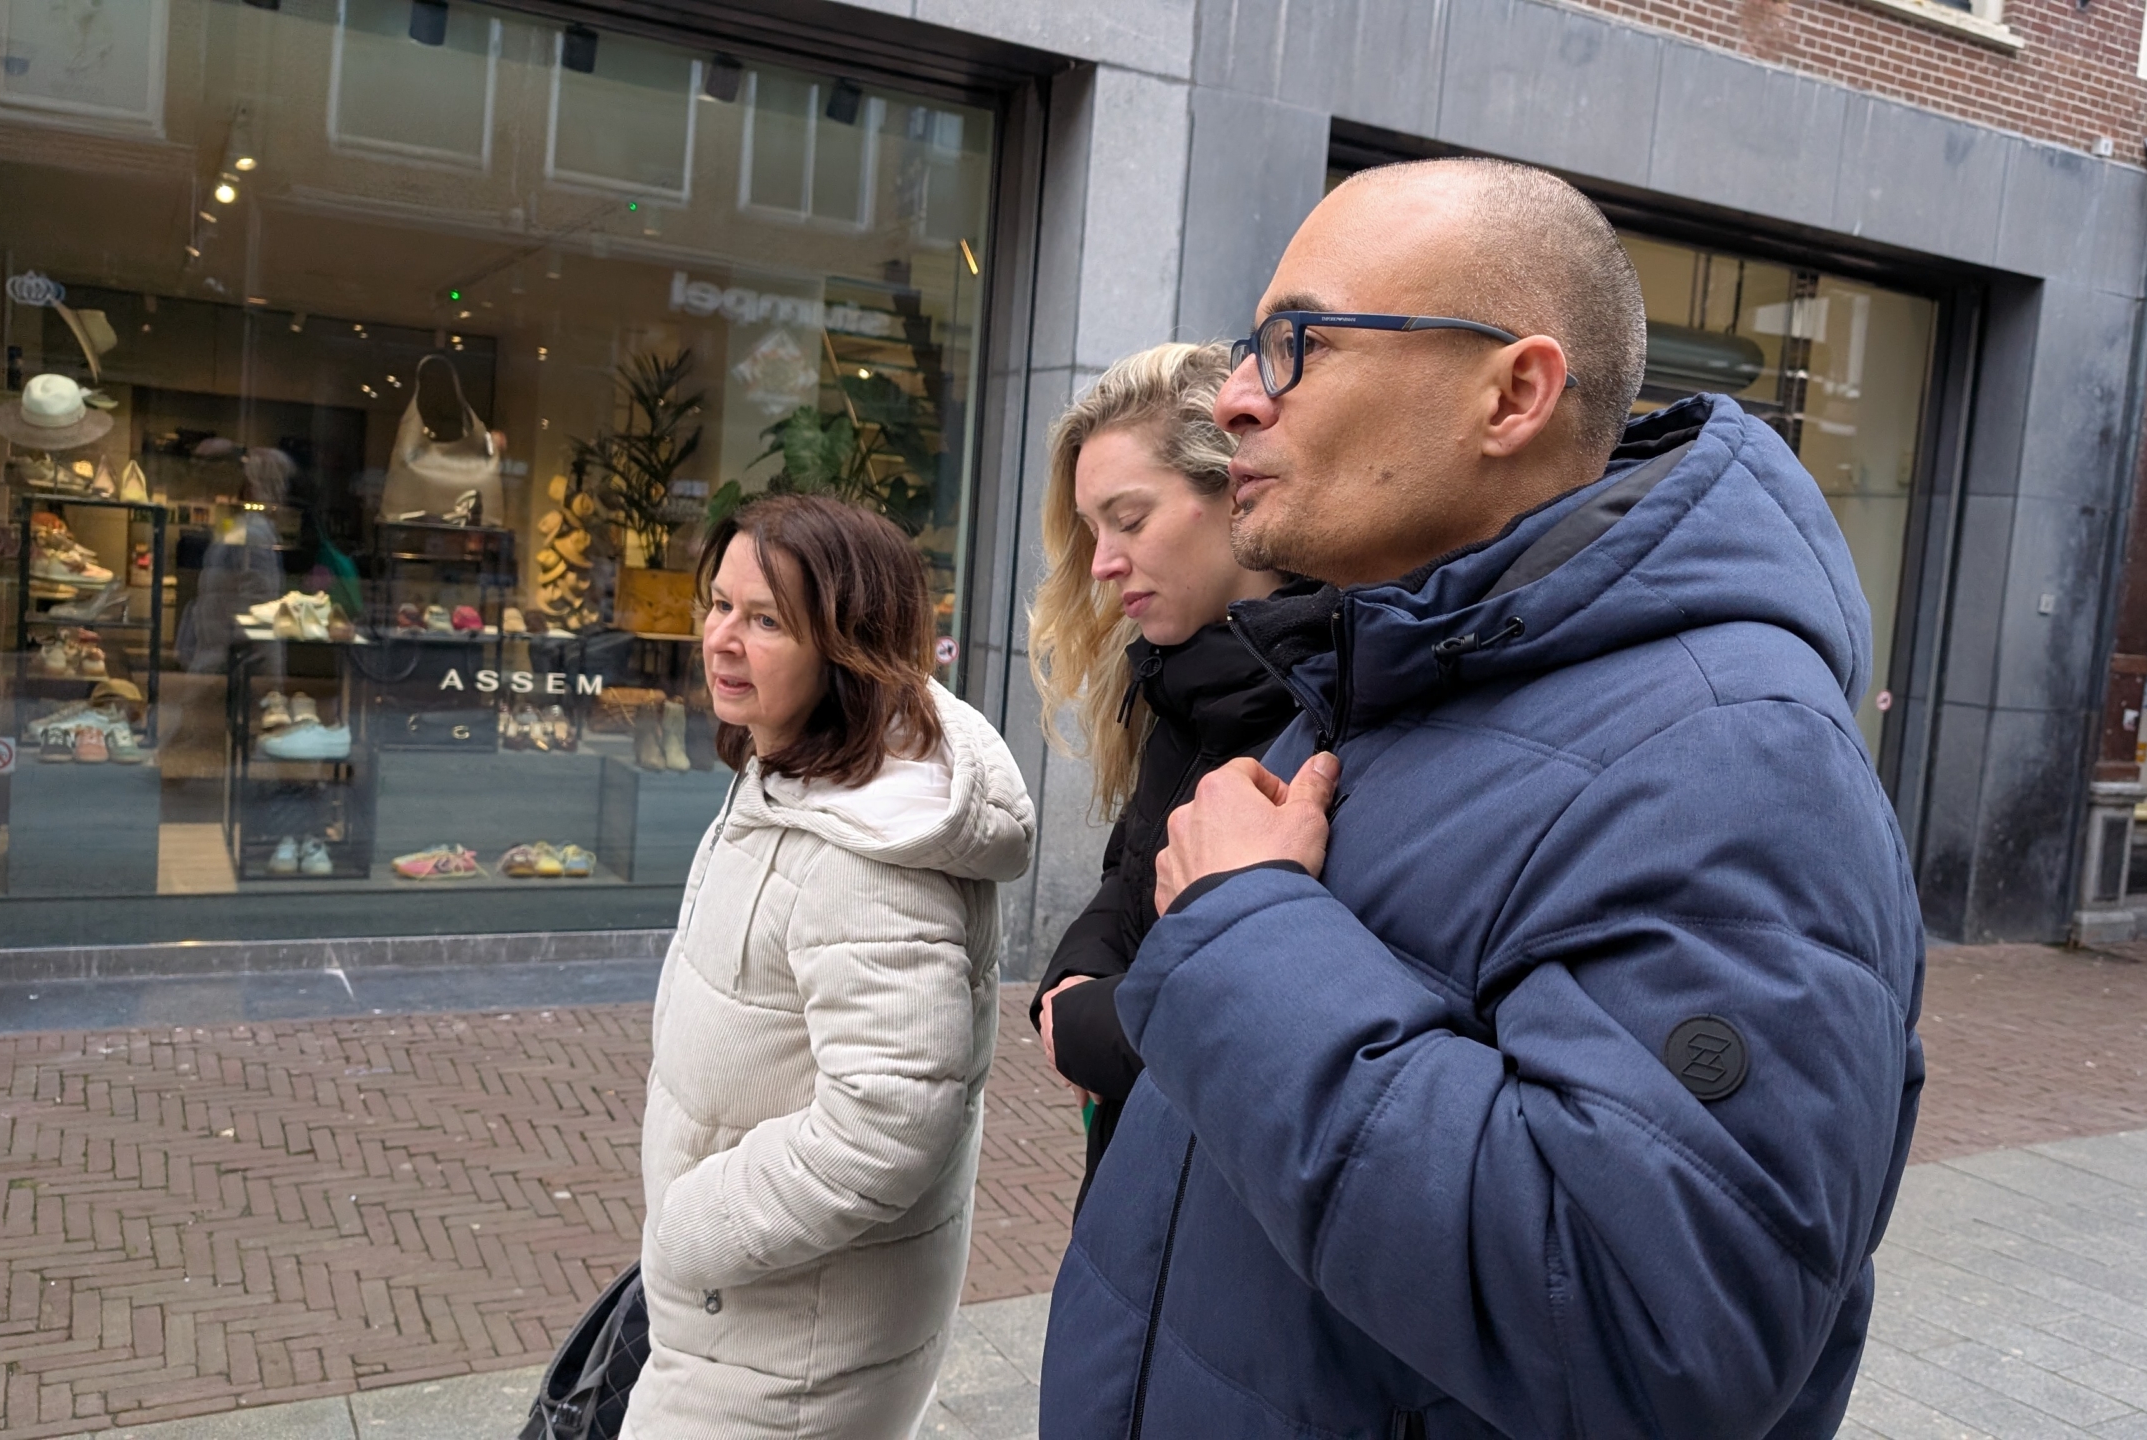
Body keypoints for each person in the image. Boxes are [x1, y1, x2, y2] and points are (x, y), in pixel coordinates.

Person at [1040, 158, 1926, 1438]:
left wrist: (1245, 926)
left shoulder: (1734, 759)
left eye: (1297, 346)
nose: (1235, 398)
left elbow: (1647, 1329)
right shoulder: (1376, 676)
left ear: (1512, 392)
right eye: (1249, 347)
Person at [625, 494, 1035, 1438]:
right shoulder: (789, 773)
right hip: (750, 1315)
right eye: (717, 605)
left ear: (848, 646)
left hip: (787, 1352)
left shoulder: (866, 854)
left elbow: (887, 1124)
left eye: (765, 620)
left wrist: (692, 1229)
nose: (722, 639)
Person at [1024, 342, 1293, 1207]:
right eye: (1093, 531)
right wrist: (1071, 979)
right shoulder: (1178, 678)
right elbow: (1130, 869)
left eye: (1128, 520)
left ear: (1235, 491)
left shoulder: (1327, 702)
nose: (1102, 563)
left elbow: (1274, 1023)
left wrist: (1095, 1026)